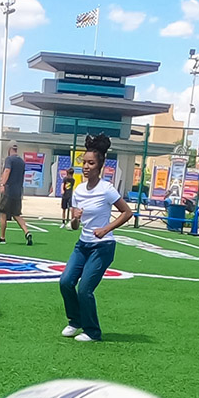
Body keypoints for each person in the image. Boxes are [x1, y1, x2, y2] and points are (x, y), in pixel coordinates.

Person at [60, 133, 133, 343]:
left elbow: (127, 213)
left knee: (85, 289)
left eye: (91, 163)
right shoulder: (79, 190)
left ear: (99, 166)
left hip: (102, 247)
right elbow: (74, 226)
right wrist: (74, 219)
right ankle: (75, 321)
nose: (86, 166)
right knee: (65, 282)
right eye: (84, 162)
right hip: (82, 244)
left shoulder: (107, 190)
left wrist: (105, 228)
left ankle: (92, 332)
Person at [0, 141, 32, 246]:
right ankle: (27, 232)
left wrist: (2, 184)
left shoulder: (9, 159)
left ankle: (2, 237)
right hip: (18, 191)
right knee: (17, 214)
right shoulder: (22, 162)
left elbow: (7, 171)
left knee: (3, 213)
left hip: (9, 190)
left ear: (9, 149)